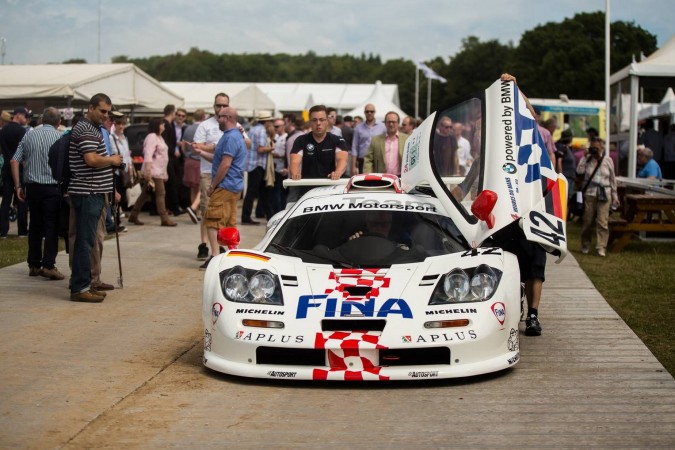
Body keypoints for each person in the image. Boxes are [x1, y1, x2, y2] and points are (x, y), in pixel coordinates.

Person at [68, 93, 123, 303]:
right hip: (87, 191)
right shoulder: (85, 128)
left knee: (88, 241)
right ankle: (80, 287)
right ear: (90, 108)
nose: (105, 115)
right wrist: (112, 160)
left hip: (92, 191)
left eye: (107, 112)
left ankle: (85, 284)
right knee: (85, 242)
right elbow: (90, 159)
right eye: (102, 111)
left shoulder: (91, 129)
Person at [9, 107, 64, 279]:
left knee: (35, 226)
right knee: (51, 226)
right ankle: (48, 264)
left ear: (41, 120)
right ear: (58, 122)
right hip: (52, 188)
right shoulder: (60, 137)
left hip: (32, 187)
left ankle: (33, 263)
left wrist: (18, 186)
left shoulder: (29, 135)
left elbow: (14, 160)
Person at [200, 107, 248, 270]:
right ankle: (234, 256)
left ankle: (214, 256)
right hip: (233, 185)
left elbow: (225, 164)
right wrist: (200, 152)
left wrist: (213, 186)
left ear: (227, 118)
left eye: (219, 117)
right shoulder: (233, 136)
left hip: (225, 185)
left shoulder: (230, 138)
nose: (217, 119)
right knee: (229, 222)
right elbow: (219, 159)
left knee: (212, 219)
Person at [289, 105, 348, 200]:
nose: (318, 123)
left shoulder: (338, 140)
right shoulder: (301, 140)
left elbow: (342, 160)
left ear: (327, 121)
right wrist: (295, 173)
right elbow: (294, 161)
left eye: (322, 119)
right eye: (314, 120)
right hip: (307, 190)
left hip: (330, 188)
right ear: (310, 122)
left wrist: (337, 172)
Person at [128, 118, 177, 227]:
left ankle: (133, 215)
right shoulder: (152, 137)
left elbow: (163, 157)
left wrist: (165, 173)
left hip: (159, 171)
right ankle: (164, 218)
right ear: (157, 125)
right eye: (161, 123)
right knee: (161, 193)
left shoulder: (160, 138)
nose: (163, 125)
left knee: (145, 194)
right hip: (154, 171)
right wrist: (148, 171)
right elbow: (148, 154)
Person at [576, 137, 620, 257]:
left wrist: (615, 195)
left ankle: (601, 247)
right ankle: (585, 244)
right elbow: (579, 172)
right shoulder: (587, 159)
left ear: (602, 148)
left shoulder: (608, 160)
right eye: (593, 147)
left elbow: (612, 178)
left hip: (605, 193)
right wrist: (585, 157)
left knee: (602, 221)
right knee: (588, 221)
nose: (595, 150)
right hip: (590, 193)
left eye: (597, 148)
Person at [0, 107, 30, 238]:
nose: (26, 119)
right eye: (25, 116)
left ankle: (3, 230)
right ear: (18, 115)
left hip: (7, 166)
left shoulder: (3, 130)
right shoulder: (22, 131)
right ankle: (22, 230)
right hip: (19, 167)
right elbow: (24, 151)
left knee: (6, 199)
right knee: (22, 197)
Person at [241, 112, 275, 225]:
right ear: (267, 121)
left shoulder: (253, 129)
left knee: (255, 191)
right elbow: (260, 149)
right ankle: (247, 217)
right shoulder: (261, 131)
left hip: (252, 164)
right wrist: (271, 148)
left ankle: (268, 215)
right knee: (257, 192)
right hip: (258, 164)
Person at [363, 111, 408, 176]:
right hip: (381, 178)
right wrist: (368, 175)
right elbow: (368, 159)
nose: (391, 124)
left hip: (401, 178)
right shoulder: (375, 140)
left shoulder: (406, 139)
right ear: (385, 123)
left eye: (393, 122)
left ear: (398, 123)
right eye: (389, 122)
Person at [182, 108, 206, 223]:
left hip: (189, 160)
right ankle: (198, 211)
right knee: (202, 186)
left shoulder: (187, 128)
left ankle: (194, 211)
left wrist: (187, 154)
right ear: (203, 117)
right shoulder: (203, 128)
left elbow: (183, 146)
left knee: (193, 188)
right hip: (200, 161)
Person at [351, 104, 385, 175]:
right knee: (363, 183)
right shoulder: (358, 128)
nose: (369, 113)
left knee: (378, 182)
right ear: (364, 113)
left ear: (374, 112)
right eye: (367, 111)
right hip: (362, 160)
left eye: (371, 111)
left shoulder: (382, 127)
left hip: (378, 160)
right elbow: (354, 147)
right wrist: (353, 166)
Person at [555, 129, 576, 205]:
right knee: (564, 199)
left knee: (568, 199)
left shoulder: (567, 148)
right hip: (566, 177)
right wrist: (561, 175)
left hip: (570, 177)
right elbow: (559, 161)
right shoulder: (562, 148)